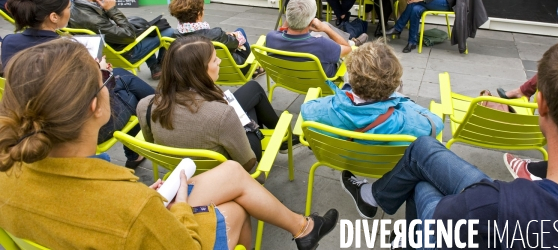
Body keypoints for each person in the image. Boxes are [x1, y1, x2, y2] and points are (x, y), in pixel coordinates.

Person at [0, 39, 339, 250]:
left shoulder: (8, 173)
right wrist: (171, 207)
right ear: (95, 106)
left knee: (233, 174)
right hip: (147, 227)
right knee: (236, 208)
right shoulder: (130, 205)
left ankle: (304, 228)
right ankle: (303, 228)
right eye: (105, 77)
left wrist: (150, 198)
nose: (110, 80)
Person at [341, 35, 558, 249]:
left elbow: (446, 218)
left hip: (479, 221)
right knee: (422, 149)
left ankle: (409, 234)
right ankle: (374, 200)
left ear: (541, 104)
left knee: (420, 182)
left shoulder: (498, 206)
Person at [2, 0, 152, 169]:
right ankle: (155, 122)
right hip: (76, 131)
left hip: (32, 123)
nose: (71, 10)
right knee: (133, 92)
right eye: (68, 7)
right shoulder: (68, 50)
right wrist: (102, 72)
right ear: (54, 16)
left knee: (123, 76)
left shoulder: (9, 42)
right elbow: (91, 94)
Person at [137, 35, 281, 171]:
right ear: (198, 71)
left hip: (178, 169)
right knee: (248, 112)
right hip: (223, 175)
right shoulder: (222, 114)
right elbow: (248, 164)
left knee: (251, 88)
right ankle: (282, 138)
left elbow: (153, 143)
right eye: (214, 60)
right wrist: (243, 124)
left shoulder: (145, 106)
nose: (219, 61)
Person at [301, 40, 443, 141]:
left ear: (351, 77)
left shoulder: (327, 109)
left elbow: (306, 110)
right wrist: (401, 99)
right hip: (383, 166)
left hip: (341, 158)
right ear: (394, 81)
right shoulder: (404, 121)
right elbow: (435, 124)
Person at [68, 0, 175, 80]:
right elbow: (129, 36)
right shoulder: (92, 19)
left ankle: (154, 66)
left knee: (144, 28)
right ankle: (159, 66)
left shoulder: (73, 7)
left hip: (108, 48)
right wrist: (112, 9)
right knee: (168, 32)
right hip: (125, 53)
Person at [167, 0, 262, 77]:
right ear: (199, 13)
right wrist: (231, 36)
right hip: (235, 70)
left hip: (197, 76)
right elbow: (235, 44)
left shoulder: (174, 37)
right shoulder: (216, 35)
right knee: (240, 31)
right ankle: (253, 69)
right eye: (203, 10)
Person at [266, 0, 354, 78]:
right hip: (322, 82)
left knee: (323, 29)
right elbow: (348, 49)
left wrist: (291, 18)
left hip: (286, 79)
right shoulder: (322, 44)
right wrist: (326, 29)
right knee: (326, 27)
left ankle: (353, 41)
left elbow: (282, 30)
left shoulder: (271, 37)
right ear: (312, 21)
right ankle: (352, 41)